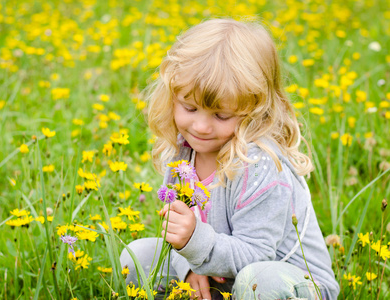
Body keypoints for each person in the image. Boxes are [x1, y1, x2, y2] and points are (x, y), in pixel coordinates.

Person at [120, 18, 339, 300]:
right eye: (189, 107)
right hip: (223, 275)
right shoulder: (183, 153)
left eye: (221, 115)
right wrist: (188, 263)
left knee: (258, 281)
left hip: (288, 283)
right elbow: (176, 235)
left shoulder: (260, 165)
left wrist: (194, 243)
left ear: (255, 110)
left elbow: (256, 255)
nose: (200, 126)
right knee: (137, 258)